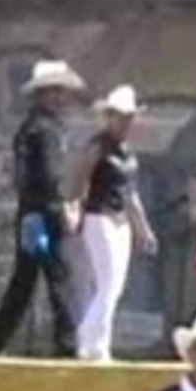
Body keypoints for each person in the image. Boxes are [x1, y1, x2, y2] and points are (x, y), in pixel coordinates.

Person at [0, 60, 86, 357]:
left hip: (32, 213)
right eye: (57, 92)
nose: (62, 98)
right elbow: (51, 174)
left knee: (25, 282)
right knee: (56, 276)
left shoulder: (32, 128)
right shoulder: (45, 130)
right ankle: (67, 344)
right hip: (45, 213)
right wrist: (64, 206)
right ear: (46, 94)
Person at [73, 85, 157, 361]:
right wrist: (76, 208)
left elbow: (131, 193)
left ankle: (100, 344)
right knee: (107, 281)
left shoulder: (128, 153)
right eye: (119, 116)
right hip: (99, 215)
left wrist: (142, 227)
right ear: (109, 117)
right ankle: (87, 336)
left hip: (120, 220)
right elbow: (81, 178)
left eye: (128, 117)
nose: (125, 122)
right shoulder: (98, 146)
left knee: (115, 285)